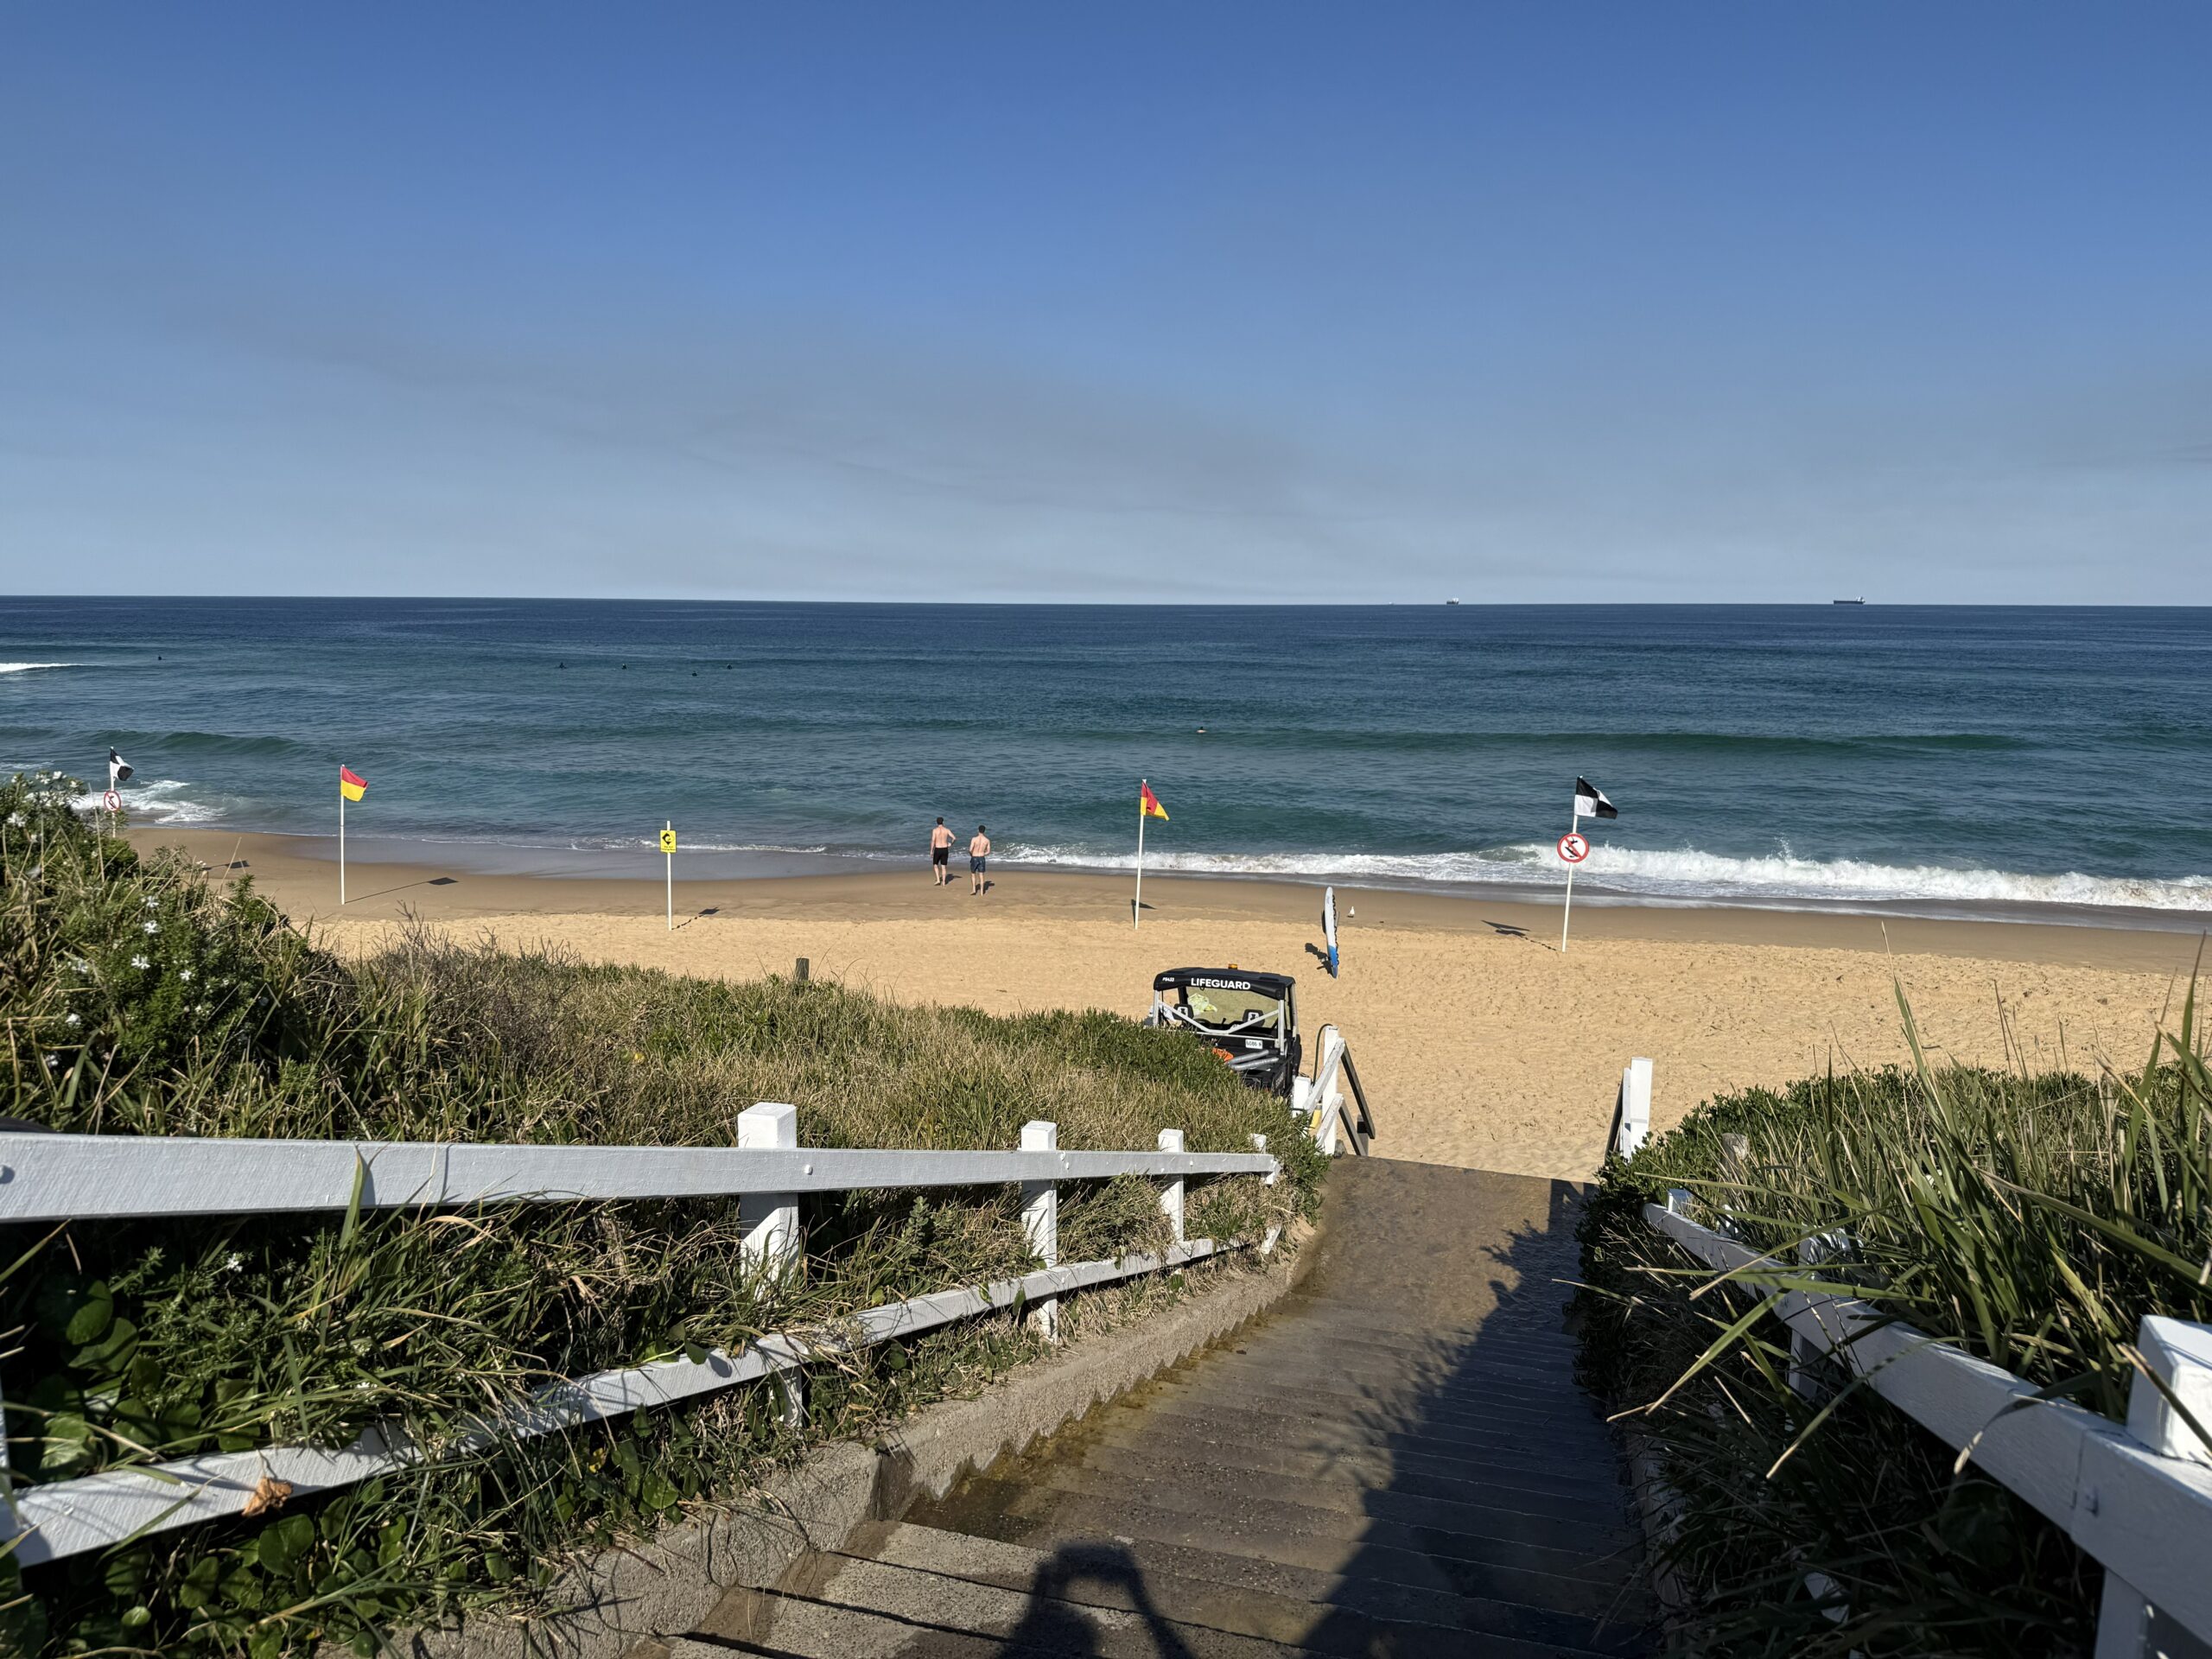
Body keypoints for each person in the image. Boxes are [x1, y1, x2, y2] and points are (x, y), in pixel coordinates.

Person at [930, 816, 953, 886]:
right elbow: (954, 838)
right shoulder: (947, 830)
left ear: (937, 822)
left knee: (935, 865)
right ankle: (944, 882)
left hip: (938, 849)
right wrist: (951, 844)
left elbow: (933, 841)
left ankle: (938, 880)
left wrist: (931, 850)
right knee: (943, 866)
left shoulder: (935, 830)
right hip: (945, 849)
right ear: (943, 822)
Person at [969, 823, 991, 895]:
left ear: (978, 830)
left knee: (973, 874)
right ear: (984, 831)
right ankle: (981, 892)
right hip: (981, 858)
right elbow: (988, 851)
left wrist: (972, 855)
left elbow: (970, 849)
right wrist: (983, 854)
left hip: (974, 857)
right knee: (981, 875)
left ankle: (974, 890)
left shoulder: (974, 839)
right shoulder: (987, 840)